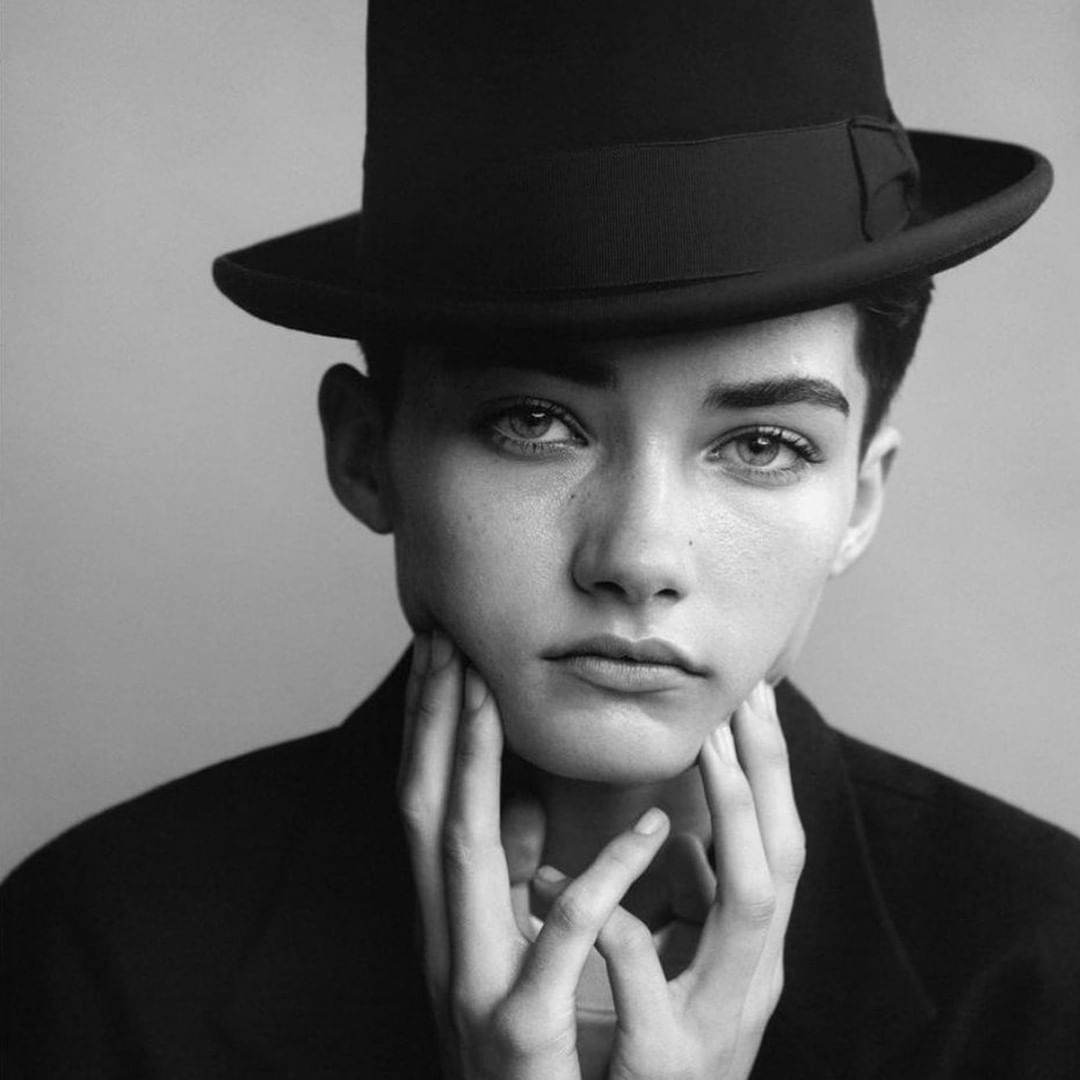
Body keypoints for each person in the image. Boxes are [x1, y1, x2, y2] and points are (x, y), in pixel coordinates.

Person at [3, 1, 1079, 1077]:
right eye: (534, 423)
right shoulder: (93, 952)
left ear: (861, 498)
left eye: (762, 445)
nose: (640, 559)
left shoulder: (1047, 969)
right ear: (367, 453)